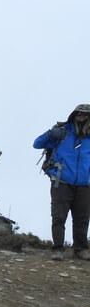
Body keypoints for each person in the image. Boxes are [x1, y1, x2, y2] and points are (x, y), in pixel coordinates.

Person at [34, 104, 90, 260]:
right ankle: (57, 249)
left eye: (86, 115)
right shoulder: (63, 132)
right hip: (61, 182)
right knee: (59, 217)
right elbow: (37, 143)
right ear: (73, 115)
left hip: (85, 184)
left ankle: (80, 250)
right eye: (79, 114)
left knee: (82, 219)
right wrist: (51, 134)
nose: (82, 117)